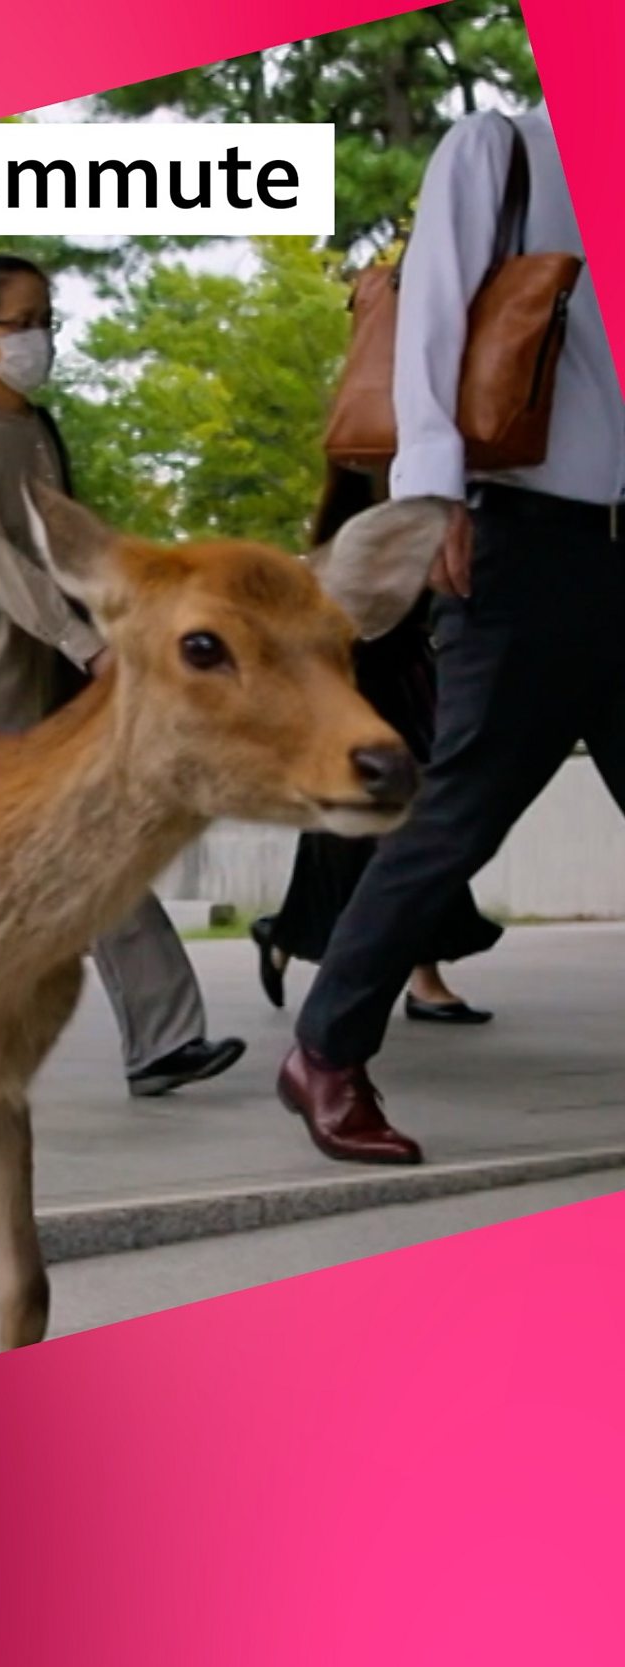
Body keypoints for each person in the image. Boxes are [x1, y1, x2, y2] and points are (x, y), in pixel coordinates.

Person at [279, 94, 625, 1166]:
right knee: (463, 803)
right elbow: (431, 317)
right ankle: (325, 1052)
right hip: (521, 532)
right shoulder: (508, 146)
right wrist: (435, 496)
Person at [0, 254, 245, 1098]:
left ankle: (163, 1042)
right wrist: (78, 639)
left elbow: (64, 550)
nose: (42, 337)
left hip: (51, 677)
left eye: (48, 318)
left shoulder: (37, 429)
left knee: (99, 843)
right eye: (24, 323)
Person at [251, 463, 500, 1024]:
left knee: (417, 821)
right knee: (375, 826)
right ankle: (412, 972)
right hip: (363, 684)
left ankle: (298, 935)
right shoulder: (358, 530)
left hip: (413, 675)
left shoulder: (432, 497)